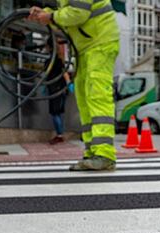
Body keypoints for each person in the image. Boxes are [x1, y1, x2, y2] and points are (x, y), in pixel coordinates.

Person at [27, 0, 119, 171]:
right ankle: (92, 152)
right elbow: (68, 20)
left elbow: (78, 13)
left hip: (100, 43)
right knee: (85, 100)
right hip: (86, 47)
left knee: (97, 96)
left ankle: (104, 155)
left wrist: (51, 15)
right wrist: (45, 15)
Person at [46, 48, 73, 145]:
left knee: (55, 113)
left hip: (56, 90)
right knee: (57, 113)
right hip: (57, 89)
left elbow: (64, 73)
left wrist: (69, 83)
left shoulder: (53, 61)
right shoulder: (56, 61)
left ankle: (59, 135)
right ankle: (59, 134)